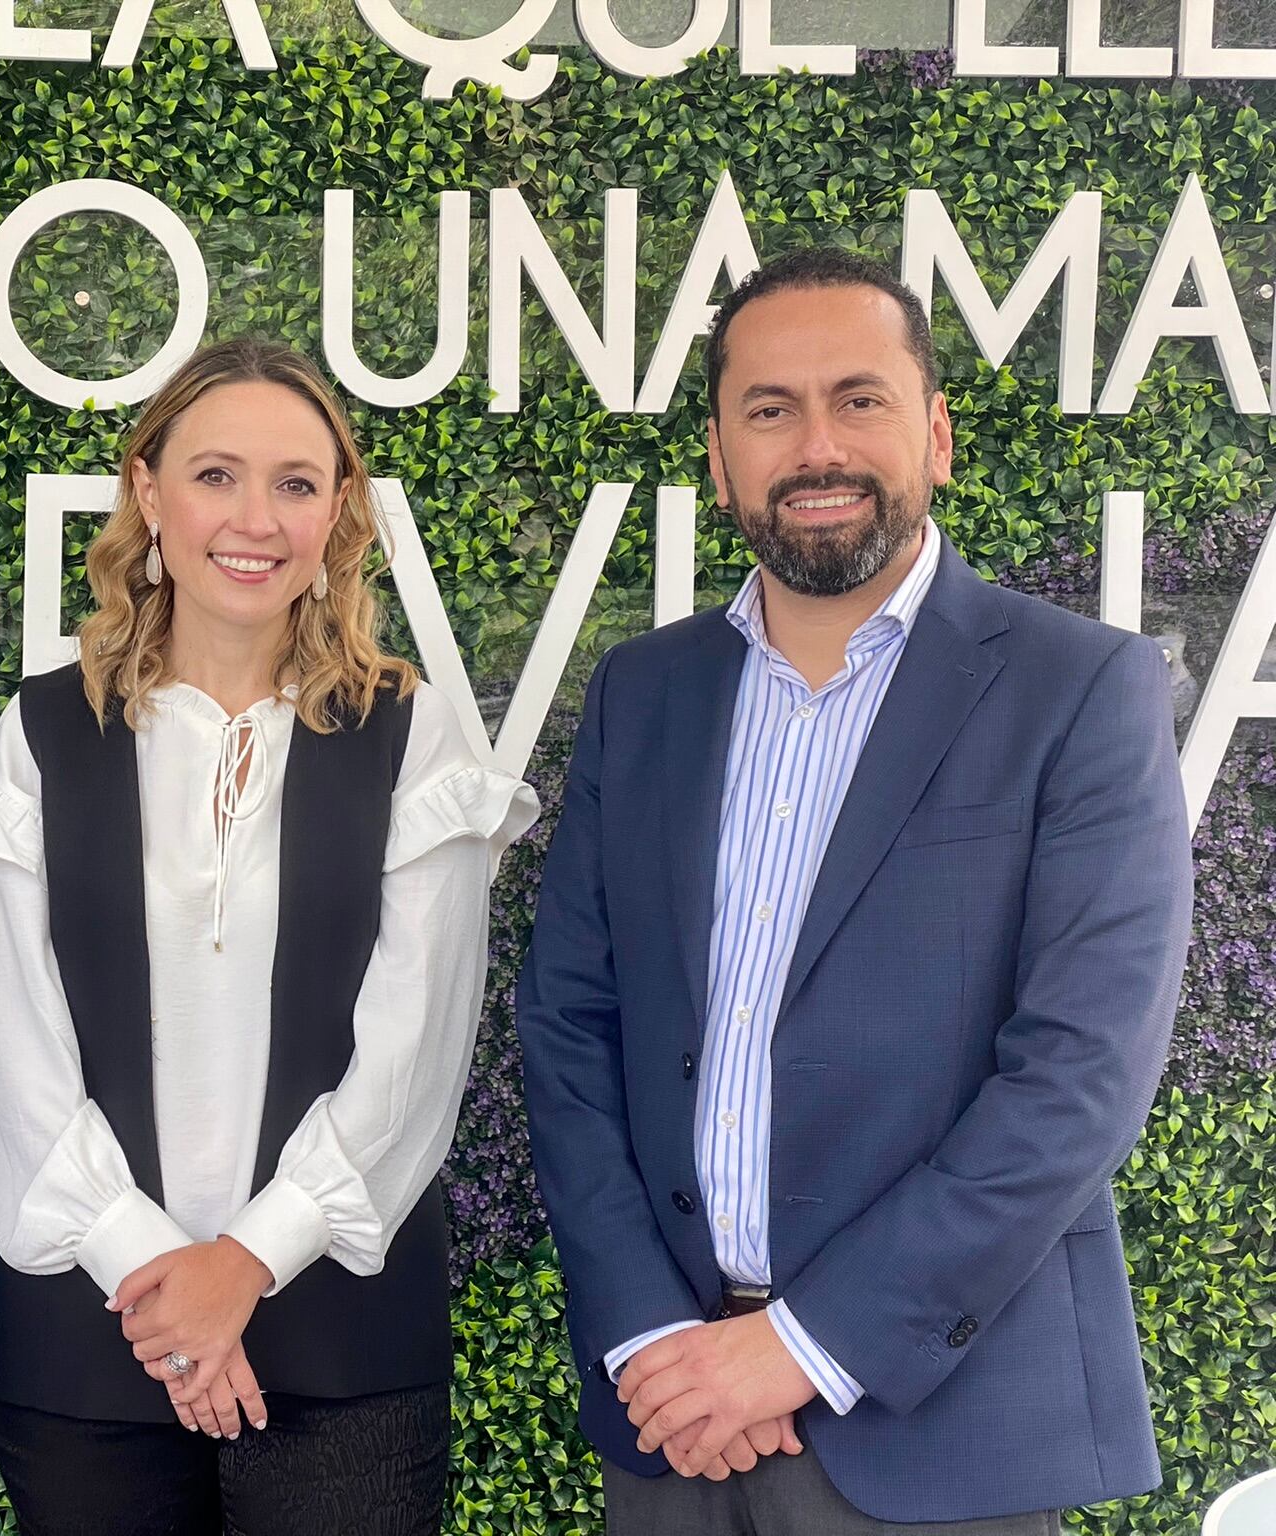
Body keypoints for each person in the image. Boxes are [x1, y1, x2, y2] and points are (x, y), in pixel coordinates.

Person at [516, 247, 1193, 1533]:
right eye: (769, 409)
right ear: (719, 459)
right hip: (669, 1416)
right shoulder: (640, 694)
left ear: (934, 435)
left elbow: (1078, 1076)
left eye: (857, 399)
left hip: (933, 1426)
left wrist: (799, 1346)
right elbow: (567, 1025)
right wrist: (647, 1331)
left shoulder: (1076, 692)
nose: (815, 446)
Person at [0, 338, 536, 1535]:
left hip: (341, 1350)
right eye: (215, 475)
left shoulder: (409, 736)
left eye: (294, 483)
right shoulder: (40, 734)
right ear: (147, 492)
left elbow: (413, 1060)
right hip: (84, 1348)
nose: (253, 519)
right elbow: (15, 1060)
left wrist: (243, 1264)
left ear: (337, 513)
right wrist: (162, 1290)